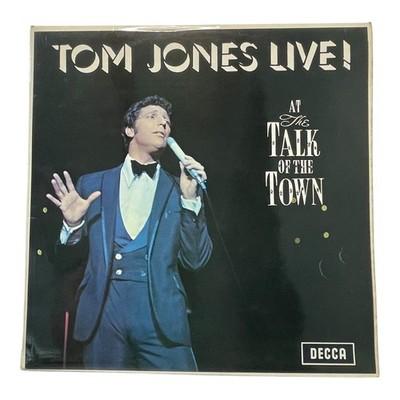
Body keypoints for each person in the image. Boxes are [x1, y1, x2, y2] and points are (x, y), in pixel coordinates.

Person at [46, 95, 213, 371]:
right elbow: (64, 263)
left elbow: (195, 260)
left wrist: (190, 200)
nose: (163, 123)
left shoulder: (180, 189)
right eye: (153, 116)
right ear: (129, 129)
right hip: (103, 315)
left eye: (167, 120)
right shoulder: (91, 184)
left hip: (162, 317)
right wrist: (72, 226)